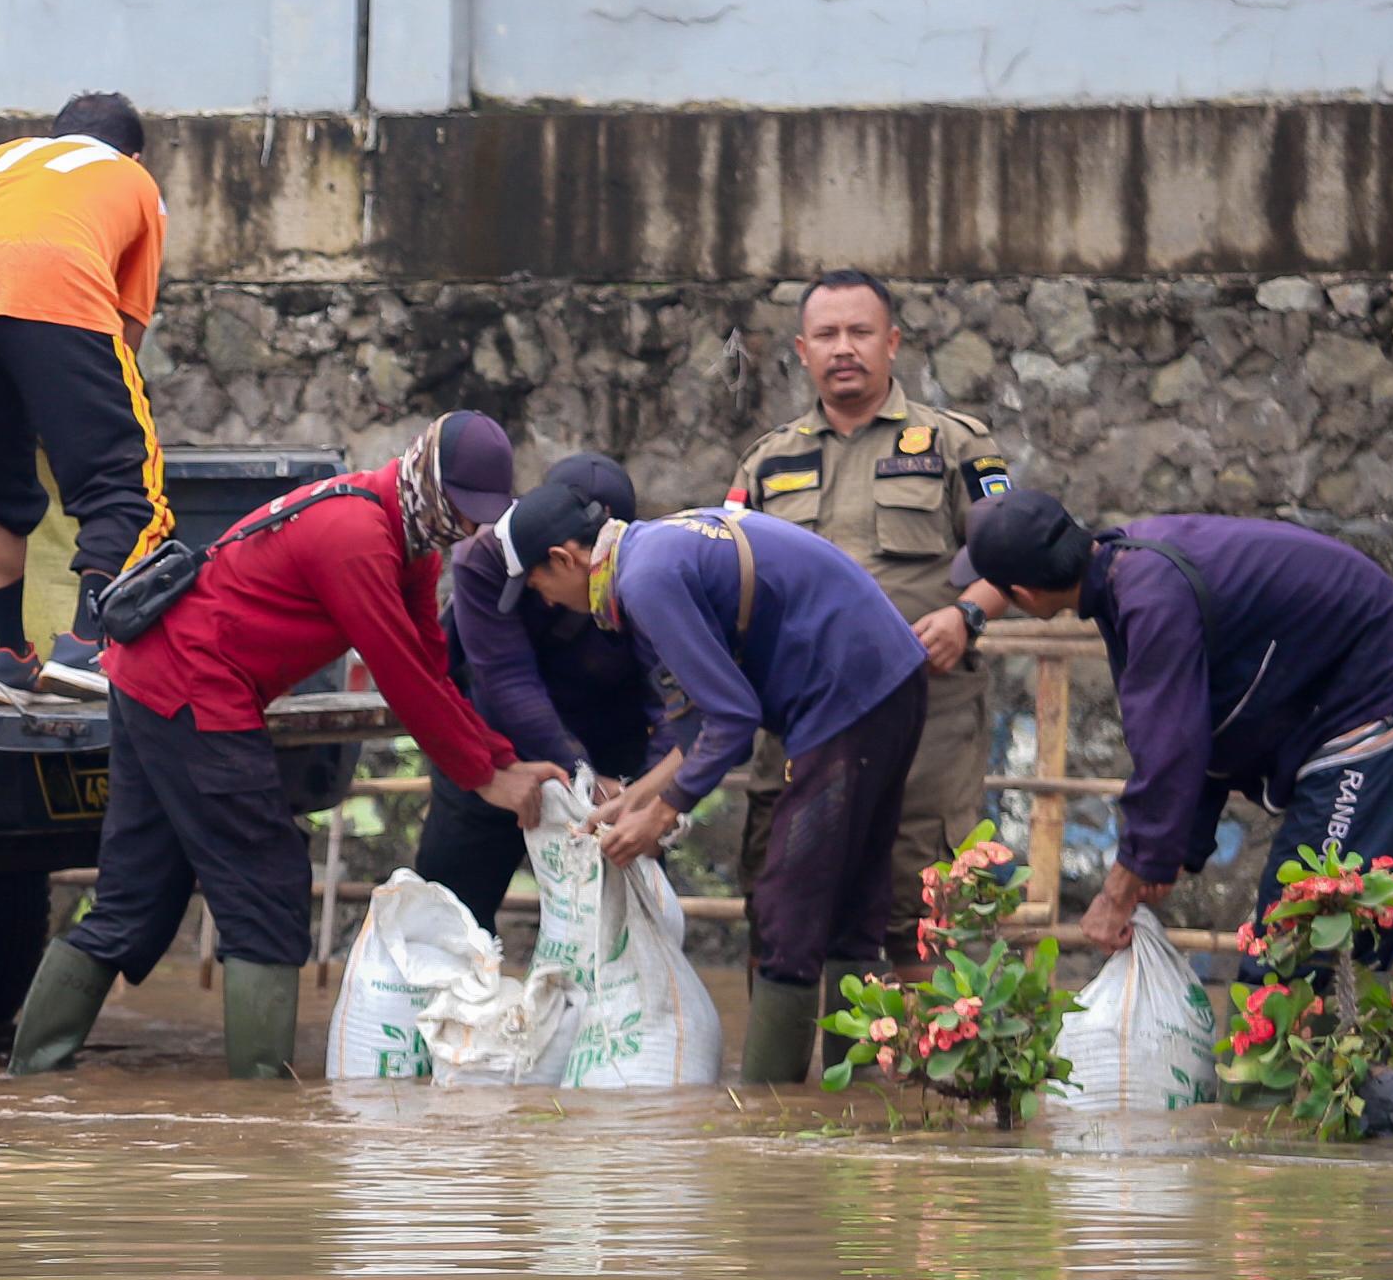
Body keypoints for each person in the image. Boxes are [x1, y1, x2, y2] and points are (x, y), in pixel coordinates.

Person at [3, 414, 550, 1081]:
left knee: (132, 901)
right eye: (463, 511)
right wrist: (484, 777)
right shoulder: (356, 536)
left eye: (482, 517)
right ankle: (259, 1109)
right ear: (429, 481)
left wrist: (497, 757)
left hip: (155, 677)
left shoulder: (407, 537)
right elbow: (400, 674)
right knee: (265, 888)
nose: (469, 529)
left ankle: (25, 1087)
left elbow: (429, 668)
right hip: (192, 686)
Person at [503, 486, 928, 1086]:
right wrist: (636, 797)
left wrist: (663, 815)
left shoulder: (646, 580)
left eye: (537, 586)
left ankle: (764, 1112)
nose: (544, 602)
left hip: (846, 696)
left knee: (787, 903)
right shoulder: (648, 554)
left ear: (564, 559)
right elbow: (701, 719)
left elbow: (732, 719)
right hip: (883, 679)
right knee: (852, 901)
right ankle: (849, 1102)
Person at [967, 491, 1393, 973]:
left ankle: (1306, 1044)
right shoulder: (1128, 572)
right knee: (1326, 916)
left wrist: (1120, 888)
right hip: (1329, 693)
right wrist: (1174, 852)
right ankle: (1350, 1041)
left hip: (1376, 688)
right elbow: (1204, 723)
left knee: (1302, 923)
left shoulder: (1151, 596)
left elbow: (1171, 752)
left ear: (1025, 596)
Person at [722, 270, 1012, 941]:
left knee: (928, 909)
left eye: (860, 332)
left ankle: (928, 1049)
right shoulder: (766, 463)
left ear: (892, 343)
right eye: (826, 334)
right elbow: (725, 579)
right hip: (802, 722)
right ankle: (790, 1052)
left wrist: (966, 616)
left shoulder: (955, 445)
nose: (843, 348)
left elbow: (1015, 561)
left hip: (926, 718)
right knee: (781, 905)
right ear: (802, 350)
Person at [0, 90, 172, 704]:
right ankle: (86, 648)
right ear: (132, 152)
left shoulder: (0, 160)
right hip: (56, 286)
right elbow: (125, 329)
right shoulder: (134, 181)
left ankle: (7, 659)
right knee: (127, 488)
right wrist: (76, 421)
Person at [412, 452, 662, 930]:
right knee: (447, 922)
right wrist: (578, 776)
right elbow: (506, 679)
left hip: (612, 747)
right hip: (499, 752)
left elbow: (669, 698)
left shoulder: (648, 572)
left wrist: (646, 795)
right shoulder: (486, 556)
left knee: (623, 930)